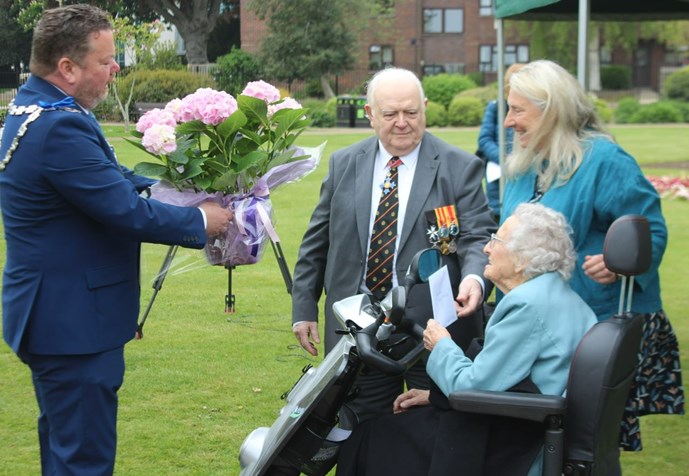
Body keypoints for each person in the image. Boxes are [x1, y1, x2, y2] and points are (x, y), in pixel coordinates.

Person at [0, 5, 233, 474]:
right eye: (106, 61)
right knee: (83, 460)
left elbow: (108, 180)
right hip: (71, 324)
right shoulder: (60, 124)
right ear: (66, 67)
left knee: (65, 450)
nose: (116, 69)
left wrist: (183, 189)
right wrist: (201, 221)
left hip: (52, 314)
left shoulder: (37, 109)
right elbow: (123, 210)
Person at [291, 67, 496, 425]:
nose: (402, 122)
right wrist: (304, 305)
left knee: (434, 429)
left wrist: (475, 279)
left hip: (433, 330)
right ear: (370, 115)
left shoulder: (459, 167)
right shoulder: (344, 163)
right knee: (355, 429)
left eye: (411, 112)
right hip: (358, 327)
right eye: (390, 114)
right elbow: (317, 240)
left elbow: (478, 235)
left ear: (425, 108)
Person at [500, 59, 684, 450]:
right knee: (533, 444)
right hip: (530, 328)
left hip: (586, 330)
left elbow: (649, 230)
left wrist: (618, 265)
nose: (507, 122)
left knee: (584, 446)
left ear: (551, 111)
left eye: (517, 110)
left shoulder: (604, 161)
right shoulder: (522, 163)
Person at [336, 203, 598, 476]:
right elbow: (500, 379)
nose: (486, 248)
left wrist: (441, 345)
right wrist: (432, 395)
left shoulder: (526, 305)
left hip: (515, 443)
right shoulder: (555, 292)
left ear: (523, 260)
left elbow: (474, 388)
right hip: (526, 424)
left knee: (371, 435)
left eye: (496, 240)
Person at [476, 63, 524, 223]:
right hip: (498, 173)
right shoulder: (496, 107)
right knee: (498, 215)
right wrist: (504, 160)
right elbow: (484, 139)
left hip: (524, 168)